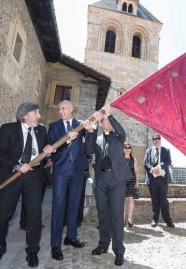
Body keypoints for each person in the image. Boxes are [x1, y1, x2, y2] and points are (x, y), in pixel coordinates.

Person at [0, 102, 54, 268]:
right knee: (3, 214)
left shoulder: (41, 130)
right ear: (25, 115)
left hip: (34, 177)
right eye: (36, 113)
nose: (39, 116)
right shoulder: (8, 129)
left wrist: (47, 152)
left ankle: (32, 252)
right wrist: (16, 166)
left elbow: (44, 154)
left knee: (33, 215)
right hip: (11, 176)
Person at [84, 106, 132, 266]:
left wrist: (109, 116)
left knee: (117, 216)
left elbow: (121, 131)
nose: (106, 122)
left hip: (116, 179)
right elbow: (88, 149)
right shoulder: (97, 139)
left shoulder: (118, 137)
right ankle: (103, 245)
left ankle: (119, 251)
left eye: (107, 120)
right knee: (103, 215)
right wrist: (90, 131)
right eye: (103, 120)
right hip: (101, 179)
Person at [48, 100, 90, 261]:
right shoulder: (53, 126)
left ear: (72, 109)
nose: (61, 111)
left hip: (78, 171)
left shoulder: (81, 124)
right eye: (59, 109)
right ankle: (55, 245)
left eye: (64, 108)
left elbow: (90, 142)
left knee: (74, 205)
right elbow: (51, 146)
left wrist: (91, 130)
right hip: (61, 171)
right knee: (58, 206)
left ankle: (71, 237)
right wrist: (67, 139)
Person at [143, 133, 175, 228]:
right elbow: (145, 162)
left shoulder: (166, 150)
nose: (156, 140)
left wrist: (159, 166)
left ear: (160, 140)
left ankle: (168, 220)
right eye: (154, 139)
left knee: (163, 200)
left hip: (163, 179)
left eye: (158, 138)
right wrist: (152, 169)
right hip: (152, 179)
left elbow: (168, 162)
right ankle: (154, 219)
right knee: (154, 200)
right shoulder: (148, 151)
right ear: (152, 140)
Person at [123, 143, 139, 227]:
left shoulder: (134, 159)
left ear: (131, 149)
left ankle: (130, 218)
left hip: (131, 182)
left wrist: (137, 181)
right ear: (123, 149)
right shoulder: (120, 158)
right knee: (123, 201)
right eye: (125, 147)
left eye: (129, 147)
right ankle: (122, 219)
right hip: (122, 182)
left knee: (131, 200)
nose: (127, 149)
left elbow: (136, 171)